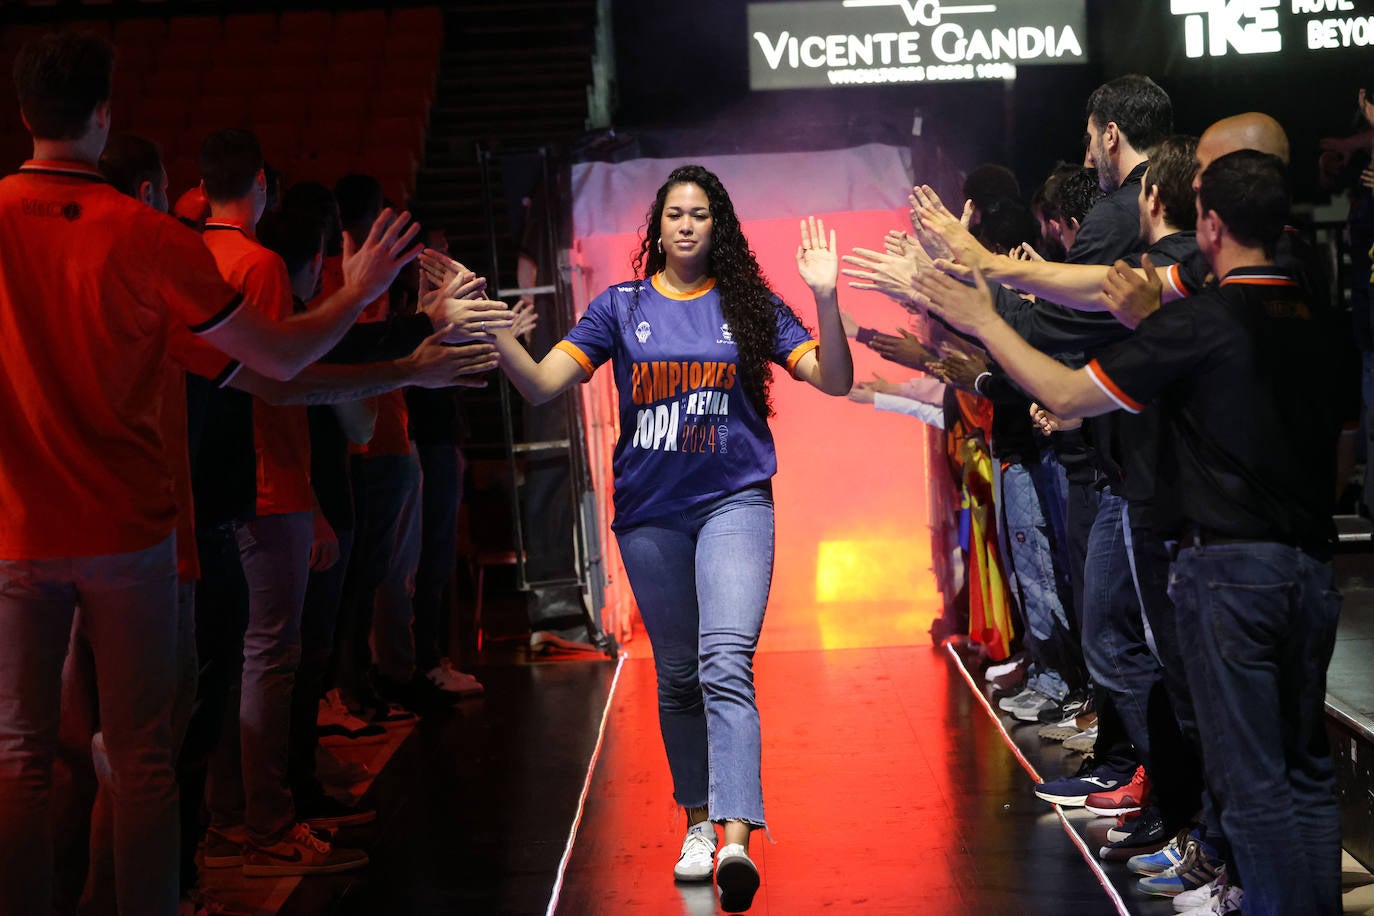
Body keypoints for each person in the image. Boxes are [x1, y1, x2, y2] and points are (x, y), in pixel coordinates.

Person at [914, 149, 1344, 916]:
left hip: (1232, 569)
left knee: (1252, 783)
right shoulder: (1315, 308)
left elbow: (1065, 393)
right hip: (1313, 565)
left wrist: (983, 313)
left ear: (1209, 225)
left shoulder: (1200, 322)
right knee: (1305, 770)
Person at [468, 164, 853, 912]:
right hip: (650, 516)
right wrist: (490, 331)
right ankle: (699, 824)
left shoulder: (748, 306)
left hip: (734, 503)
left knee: (724, 660)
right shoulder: (621, 307)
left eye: (699, 214)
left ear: (719, 227)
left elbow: (834, 379)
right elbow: (544, 383)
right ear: (656, 228)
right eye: (674, 214)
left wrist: (827, 298)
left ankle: (739, 838)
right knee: (677, 675)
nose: (685, 225)